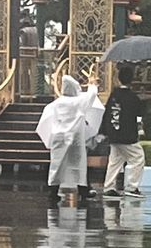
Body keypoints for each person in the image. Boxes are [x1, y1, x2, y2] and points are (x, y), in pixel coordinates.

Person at [36, 74, 101, 202]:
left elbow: (47, 117)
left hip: (58, 137)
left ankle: (53, 191)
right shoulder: (78, 102)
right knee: (79, 163)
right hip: (75, 137)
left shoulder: (56, 104)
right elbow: (91, 95)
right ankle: (83, 190)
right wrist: (92, 84)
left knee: (56, 164)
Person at [100, 65, 145, 199]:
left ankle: (109, 187)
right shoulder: (133, 98)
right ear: (131, 80)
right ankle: (132, 186)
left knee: (115, 160)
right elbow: (138, 116)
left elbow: (107, 114)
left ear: (119, 79)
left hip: (114, 134)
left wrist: (106, 131)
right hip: (127, 136)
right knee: (138, 157)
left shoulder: (114, 95)